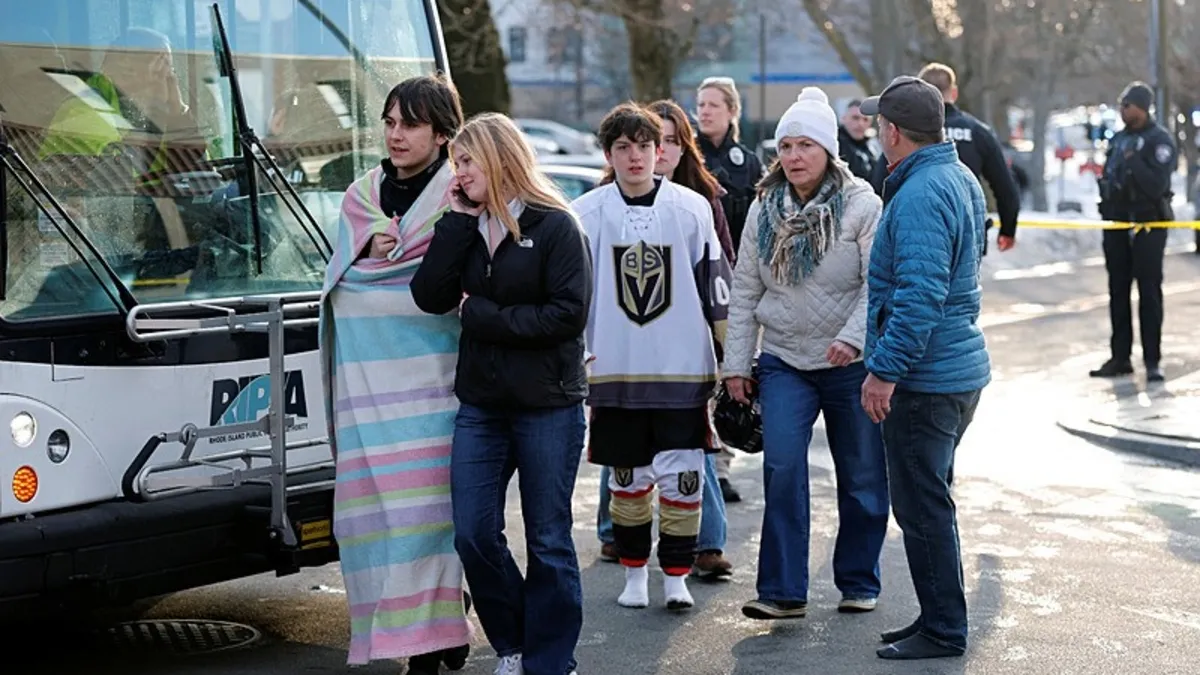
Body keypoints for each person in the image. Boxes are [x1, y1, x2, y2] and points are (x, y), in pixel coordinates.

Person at [411, 112, 592, 675]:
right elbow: (429, 295)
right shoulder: (465, 222)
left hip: (548, 407)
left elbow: (566, 316)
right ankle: (513, 643)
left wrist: (483, 315)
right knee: (473, 534)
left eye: (466, 162)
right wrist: (457, 223)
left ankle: (550, 659)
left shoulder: (557, 224)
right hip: (483, 408)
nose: (458, 173)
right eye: (455, 164)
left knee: (549, 540)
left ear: (498, 158)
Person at [319, 75, 472, 674]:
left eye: (409, 123)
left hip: (437, 390)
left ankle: (430, 646)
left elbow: (465, 282)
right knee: (377, 521)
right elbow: (339, 286)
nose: (396, 134)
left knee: (429, 518)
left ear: (440, 132)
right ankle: (431, 628)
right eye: (388, 122)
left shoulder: (461, 194)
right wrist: (365, 254)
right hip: (368, 393)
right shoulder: (360, 197)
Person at [721, 88, 888, 621]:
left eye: (805, 145)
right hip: (784, 360)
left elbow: (877, 285)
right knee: (783, 467)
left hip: (848, 365)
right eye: (785, 145)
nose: (793, 156)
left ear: (828, 150)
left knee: (860, 475)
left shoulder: (863, 204)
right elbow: (745, 289)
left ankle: (859, 580)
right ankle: (783, 590)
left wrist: (855, 338)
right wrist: (735, 368)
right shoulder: (764, 208)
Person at [574, 102, 732, 611]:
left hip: (681, 371)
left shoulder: (691, 208)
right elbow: (573, 297)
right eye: (624, 147)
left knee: (684, 478)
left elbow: (717, 289)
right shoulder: (586, 213)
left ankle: (677, 577)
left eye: (645, 145)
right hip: (614, 372)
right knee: (629, 479)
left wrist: (734, 360)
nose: (636, 156)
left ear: (660, 150)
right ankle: (635, 576)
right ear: (609, 153)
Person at [858, 75, 991, 660]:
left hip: (925, 378)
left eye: (876, 122)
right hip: (954, 372)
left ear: (891, 131)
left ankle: (942, 629)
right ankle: (938, 616)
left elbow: (919, 296)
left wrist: (883, 371)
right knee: (932, 502)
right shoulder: (957, 176)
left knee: (922, 507)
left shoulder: (917, 193)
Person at [695, 76, 764, 503]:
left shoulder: (748, 162)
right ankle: (699, 460)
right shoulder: (687, 155)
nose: (704, 112)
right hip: (701, 279)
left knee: (733, 373)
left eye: (713, 105)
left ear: (732, 111)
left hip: (739, 283)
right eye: (700, 104)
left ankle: (720, 467)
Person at [1090, 81, 1177, 383]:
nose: (1122, 110)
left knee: (1149, 293)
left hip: (1148, 224)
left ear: (1142, 107)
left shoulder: (1159, 140)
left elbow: (1157, 185)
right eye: (1121, 105)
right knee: (1118, 290)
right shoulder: (1118, 139)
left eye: (1127, 105)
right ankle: (1120, 357)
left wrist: (1135, 161)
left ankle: (1152, 360)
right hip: (1117, 222)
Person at [918, 63, 1021, 254]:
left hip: (917, 232)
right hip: (966, 236)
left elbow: (881, 181)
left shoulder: (908, 131)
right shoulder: (978, 132)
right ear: (954, 93)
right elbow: (1006, 188)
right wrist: (1008, 229)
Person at [838, 99, 878, 181]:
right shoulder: (835, 145)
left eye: (865, 119)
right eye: (855, 118)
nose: (860, 124)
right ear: (843, 118)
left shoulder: (872, 147)